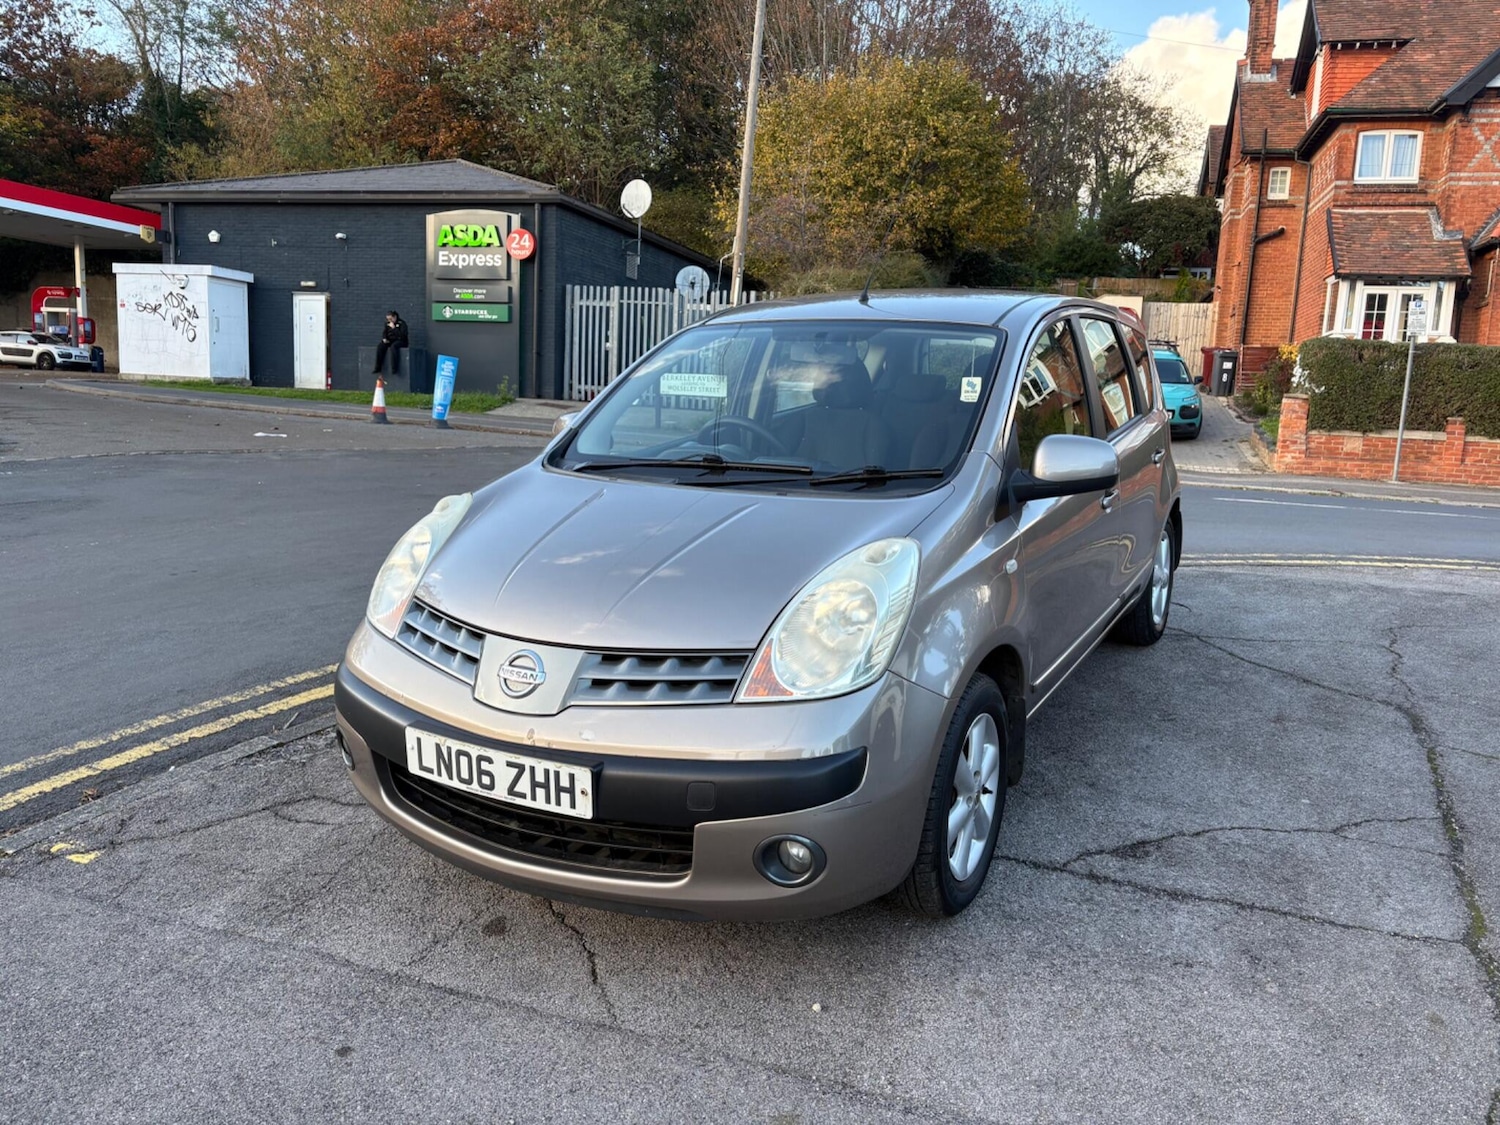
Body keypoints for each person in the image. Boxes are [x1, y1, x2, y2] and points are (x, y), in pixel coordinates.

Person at [372, 311, 408, 377]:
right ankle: (378, 367)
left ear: (395, 317)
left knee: (393, 347)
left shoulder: (402, 323)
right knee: (380, 346)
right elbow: (384, 332)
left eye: (391, 319)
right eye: (388, 319)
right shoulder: (387, 324)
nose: (389, 321)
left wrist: (394, 328)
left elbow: (402, 335)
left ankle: (394, 368)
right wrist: (384, 338)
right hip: (390, 340)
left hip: (400, 341)